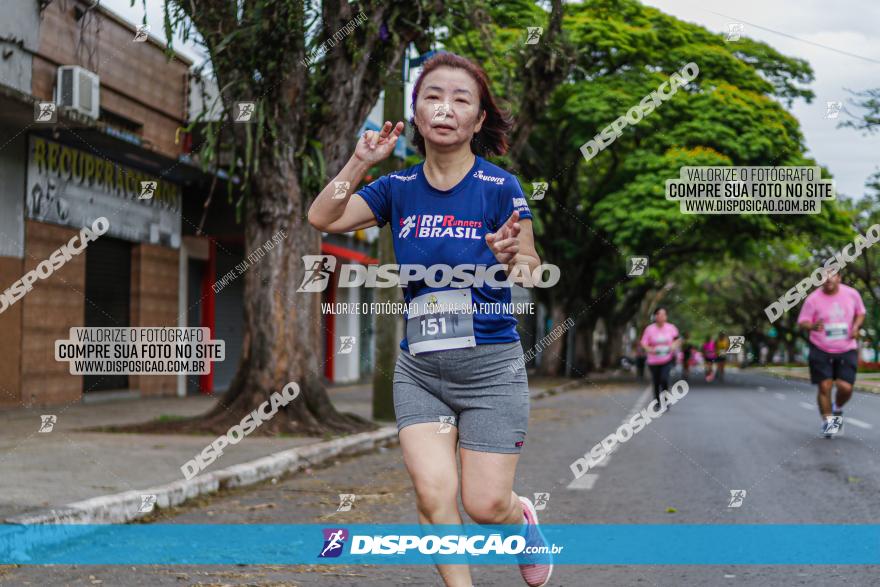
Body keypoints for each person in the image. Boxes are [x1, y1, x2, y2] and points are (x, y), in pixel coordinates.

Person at [307, 53, 551, 587]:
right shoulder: (397, 189)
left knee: (484, 506)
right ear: (416, 113)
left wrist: (514, 258)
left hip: (491, 371)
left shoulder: (500, 187)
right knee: (432, 494)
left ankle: (521, 520)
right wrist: (358, 163)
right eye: (432, 96)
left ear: (479, 120)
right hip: (421, 371)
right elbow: (322, 217)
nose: (445, 108)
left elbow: (531, 268)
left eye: (461, 99)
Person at [797, 271, 865, 438]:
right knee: (824, 386)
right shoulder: (812, 299)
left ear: (839, 277)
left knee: (846, 387)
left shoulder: (852, 294)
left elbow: (860, 313)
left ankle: (837, 408)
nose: (828, 279)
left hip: (847, 347)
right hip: (820, 348)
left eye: (832, 275)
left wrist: (856, 327)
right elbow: (802, 321)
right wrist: (812, 326)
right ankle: (829, 425)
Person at [640, 308, 680, 406]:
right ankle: (657, 401)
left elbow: (677, 340)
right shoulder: (649, 329)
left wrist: (673, 346)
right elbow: (643, 342)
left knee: (664, 379)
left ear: (666, 316)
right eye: (659, 314)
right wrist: (649, 349)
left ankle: (666, 399)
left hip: (667, 359)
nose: (661, 317)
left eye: (664, 314)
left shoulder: (671, 328)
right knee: (656, 381)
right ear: (655, 316)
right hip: (653, 360)